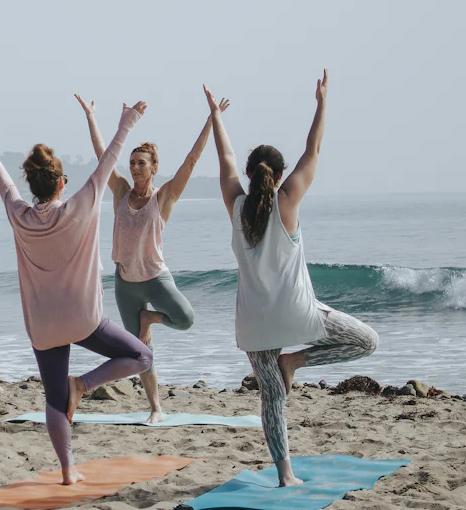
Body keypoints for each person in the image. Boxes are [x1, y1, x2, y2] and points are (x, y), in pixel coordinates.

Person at [0, 101, 153, 486]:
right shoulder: (80, 206)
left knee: (53, 400)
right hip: (84, 319)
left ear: (33, 187)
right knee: (142, 356)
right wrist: (128, 121)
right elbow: (110, 160)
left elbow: (2, 180)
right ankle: (83, 384)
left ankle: (68, 472)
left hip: (44, 327)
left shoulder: (18, 215)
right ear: (62, 182)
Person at [205, 72, 378, 486]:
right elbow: (313, 150)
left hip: (255, 324)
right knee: (366, 341)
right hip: (298, 315)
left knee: (272, 399)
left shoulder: (236, 205)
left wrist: (216, 117)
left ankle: (285, 475)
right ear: (279, 176)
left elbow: (225, 161)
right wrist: (321, 104)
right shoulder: (288, 201)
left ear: (249, 176)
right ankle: (297, 359)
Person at [74, 93, 229, 423]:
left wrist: (210, 120)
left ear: (154, 167)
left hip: (156, 279)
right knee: (142, 354)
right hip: (125, 284)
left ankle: (150, 319)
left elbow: (191, 161)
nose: (134, 167)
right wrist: (91, 117)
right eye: (131, 162)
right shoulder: (119, 191)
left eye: (141, 162)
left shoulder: (165, 197)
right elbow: (105, 156)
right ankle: (156, 408)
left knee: (185, 319)